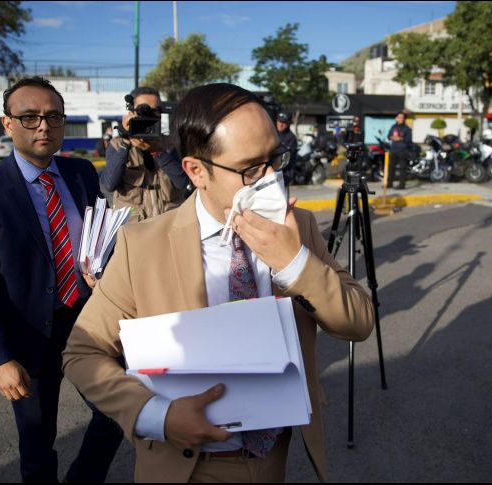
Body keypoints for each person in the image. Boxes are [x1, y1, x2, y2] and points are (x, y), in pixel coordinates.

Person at [62, 83, 375, 483]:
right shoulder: (141, 246)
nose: (270, 178)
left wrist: (295, 263)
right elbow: (83, 352)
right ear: (196, 171)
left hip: (272, 459)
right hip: (186, 469)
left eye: (275, 159)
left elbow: (358, 323)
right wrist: (157, 415)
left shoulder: (298, 227)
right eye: (250, 169)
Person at [0, 77, 124, 483]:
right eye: (29, 117)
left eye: (53, 116)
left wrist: (103, 272)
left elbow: (101, 238)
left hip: (86, 325)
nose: (43, 126)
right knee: (37, 444)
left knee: (116, 413)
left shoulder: (81, 172)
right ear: (8, 124)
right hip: (27, 338)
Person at [100, 86, 189, 221]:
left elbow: (182, 182)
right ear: (131, 112)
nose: (150, 115)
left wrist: (159, 152)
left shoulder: (171, 143)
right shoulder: (117, 144)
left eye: (156, 110)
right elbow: (109, 184)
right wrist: (125, 143)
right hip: (134, 225)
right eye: (144, 110)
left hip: (168, 222)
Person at [387, 111, 413, 190]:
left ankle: (402, 185)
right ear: (396, 118)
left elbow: (408, 140)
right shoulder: (393, 127)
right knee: (391, 168)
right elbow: (389, 136)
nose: (400, 119)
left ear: (404, 119)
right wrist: (392, 137)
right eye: (399, 117)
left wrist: (400, 138)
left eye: (402, 117)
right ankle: (389, 183)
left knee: (402, 168)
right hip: (393, 150)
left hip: (402, 151)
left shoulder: (407, 129)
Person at [275, 112, 297, 185]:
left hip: (284, 174)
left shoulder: (291, 138)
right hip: (272, 173)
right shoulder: (273, 134)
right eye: (279, 121)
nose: (280, 125)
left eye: (283, 123)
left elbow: (285, 157)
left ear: (288, 124)